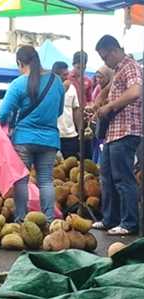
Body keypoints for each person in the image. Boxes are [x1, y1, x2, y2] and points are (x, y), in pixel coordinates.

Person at [0, 45, 64, 222]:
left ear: (20, 63)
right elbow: (58, 111)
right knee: (46, 181)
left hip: (24, 139)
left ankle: (21, 220)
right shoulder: (56, 80)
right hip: (49, 139)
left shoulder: (18, 83)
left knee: (21, 180)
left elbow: (2, 114)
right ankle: (49, 221)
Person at [90, 35, 142, 235]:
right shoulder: (119, 70)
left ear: (113, 51)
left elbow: (136, 91)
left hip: (127, 130)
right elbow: (106, 91)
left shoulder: (130, 67)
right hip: (114, 132)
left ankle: (129, 223)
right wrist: (98, 105)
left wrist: (110, 106)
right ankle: (110, 219)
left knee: (123, 178)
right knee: (107, 177)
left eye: (105, 58)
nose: (105, 63)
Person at [52, 61, 80, 159]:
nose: (67, 77)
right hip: (54, 135)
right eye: (64, 75)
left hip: (70, 135)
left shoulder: (72, 88)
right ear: (56, 75)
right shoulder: (49, 89)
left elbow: (75, 109)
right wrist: (63, 89)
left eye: (67, 74)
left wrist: (79, 130)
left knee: (71, 166)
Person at [90, 65, 115, 164]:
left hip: (107, 130)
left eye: (101, 77)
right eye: (97, 77)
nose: (98, 80)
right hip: (98, 128)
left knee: (104, 157)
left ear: (109, 77)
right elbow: (95, 104)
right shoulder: (98, 89)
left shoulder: (113, 90)